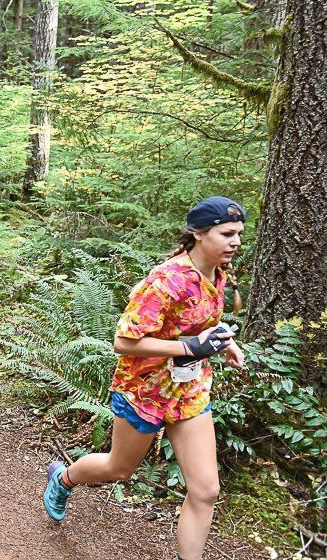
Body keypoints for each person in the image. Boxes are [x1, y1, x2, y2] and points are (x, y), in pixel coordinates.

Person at [42, 196, 248, 560]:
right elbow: (123, 342)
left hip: (189, 391)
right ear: (199, 234)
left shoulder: (217, 274)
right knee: (119, 468)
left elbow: (199, 323)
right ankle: (64, 478)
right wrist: (189, 347)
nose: (236, 242)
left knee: (206, 491)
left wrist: (225, 342)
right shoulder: (167, 280)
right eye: (227, 234)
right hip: (144, 392)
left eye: (239, 234)